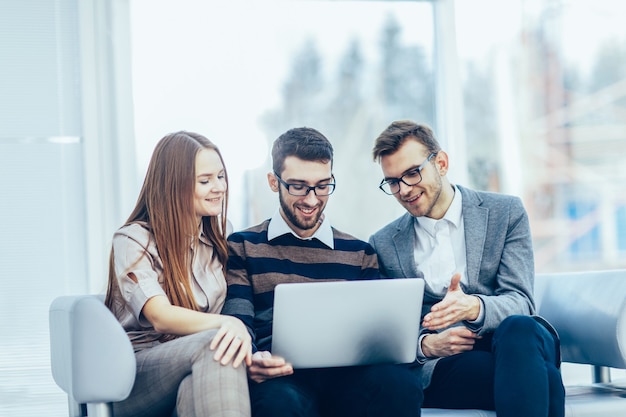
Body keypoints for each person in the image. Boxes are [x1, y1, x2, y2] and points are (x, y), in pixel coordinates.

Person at [368, 120, 565, 417]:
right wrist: (427, 344)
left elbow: (521, 303)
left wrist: (473, 307)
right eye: (393, 182)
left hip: (514, 340)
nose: (404, 190)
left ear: (442, 163)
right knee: (545, 379)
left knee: (520, 328)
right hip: (450, 361)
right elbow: (386, 332)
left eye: (412, 173)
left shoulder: (505, 213)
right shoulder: (383, 243)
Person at [222, 127, 422, 417]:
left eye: (322, 185)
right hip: (281, 379)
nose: (312, 199)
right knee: (279, 402)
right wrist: (254, 358)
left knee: (399, 384)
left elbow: (379, 336)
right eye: (298, 186)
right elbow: (239, 322)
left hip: (348, 378)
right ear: (273, 182)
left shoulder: (359, 252)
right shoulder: (242, 246)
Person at [104, 131, 252, 417]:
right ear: (174, 186)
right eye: (205, 181)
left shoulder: (221, 236)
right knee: (217, 341)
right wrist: (228, 324)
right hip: (136, 373)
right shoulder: (132, 239)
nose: (219, 187)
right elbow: (160, 316)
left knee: (196, 381)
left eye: (221, 176)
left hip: (195, 365)